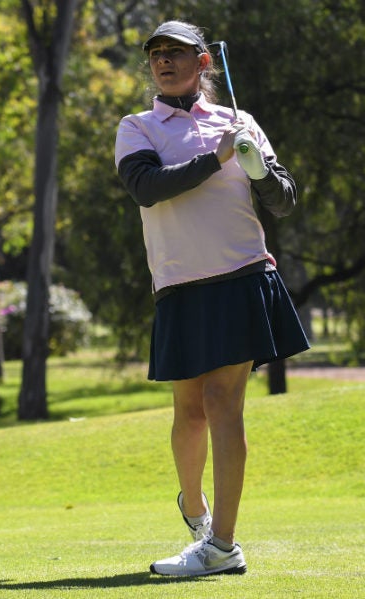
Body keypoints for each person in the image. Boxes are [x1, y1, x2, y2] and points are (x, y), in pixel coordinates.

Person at [114, 20, 311, 577]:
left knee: (224, 406)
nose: (163, 61)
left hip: (242, 274)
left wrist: (257, 168)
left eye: (176, 53)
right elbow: (147, 189)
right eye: (155, 54)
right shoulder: (137, 127)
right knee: (190, 412)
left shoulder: (240, 122)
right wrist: (217, 159)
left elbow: (284, 199)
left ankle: (222, 545)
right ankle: (194, 507)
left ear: (204, 63)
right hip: (178, 284)